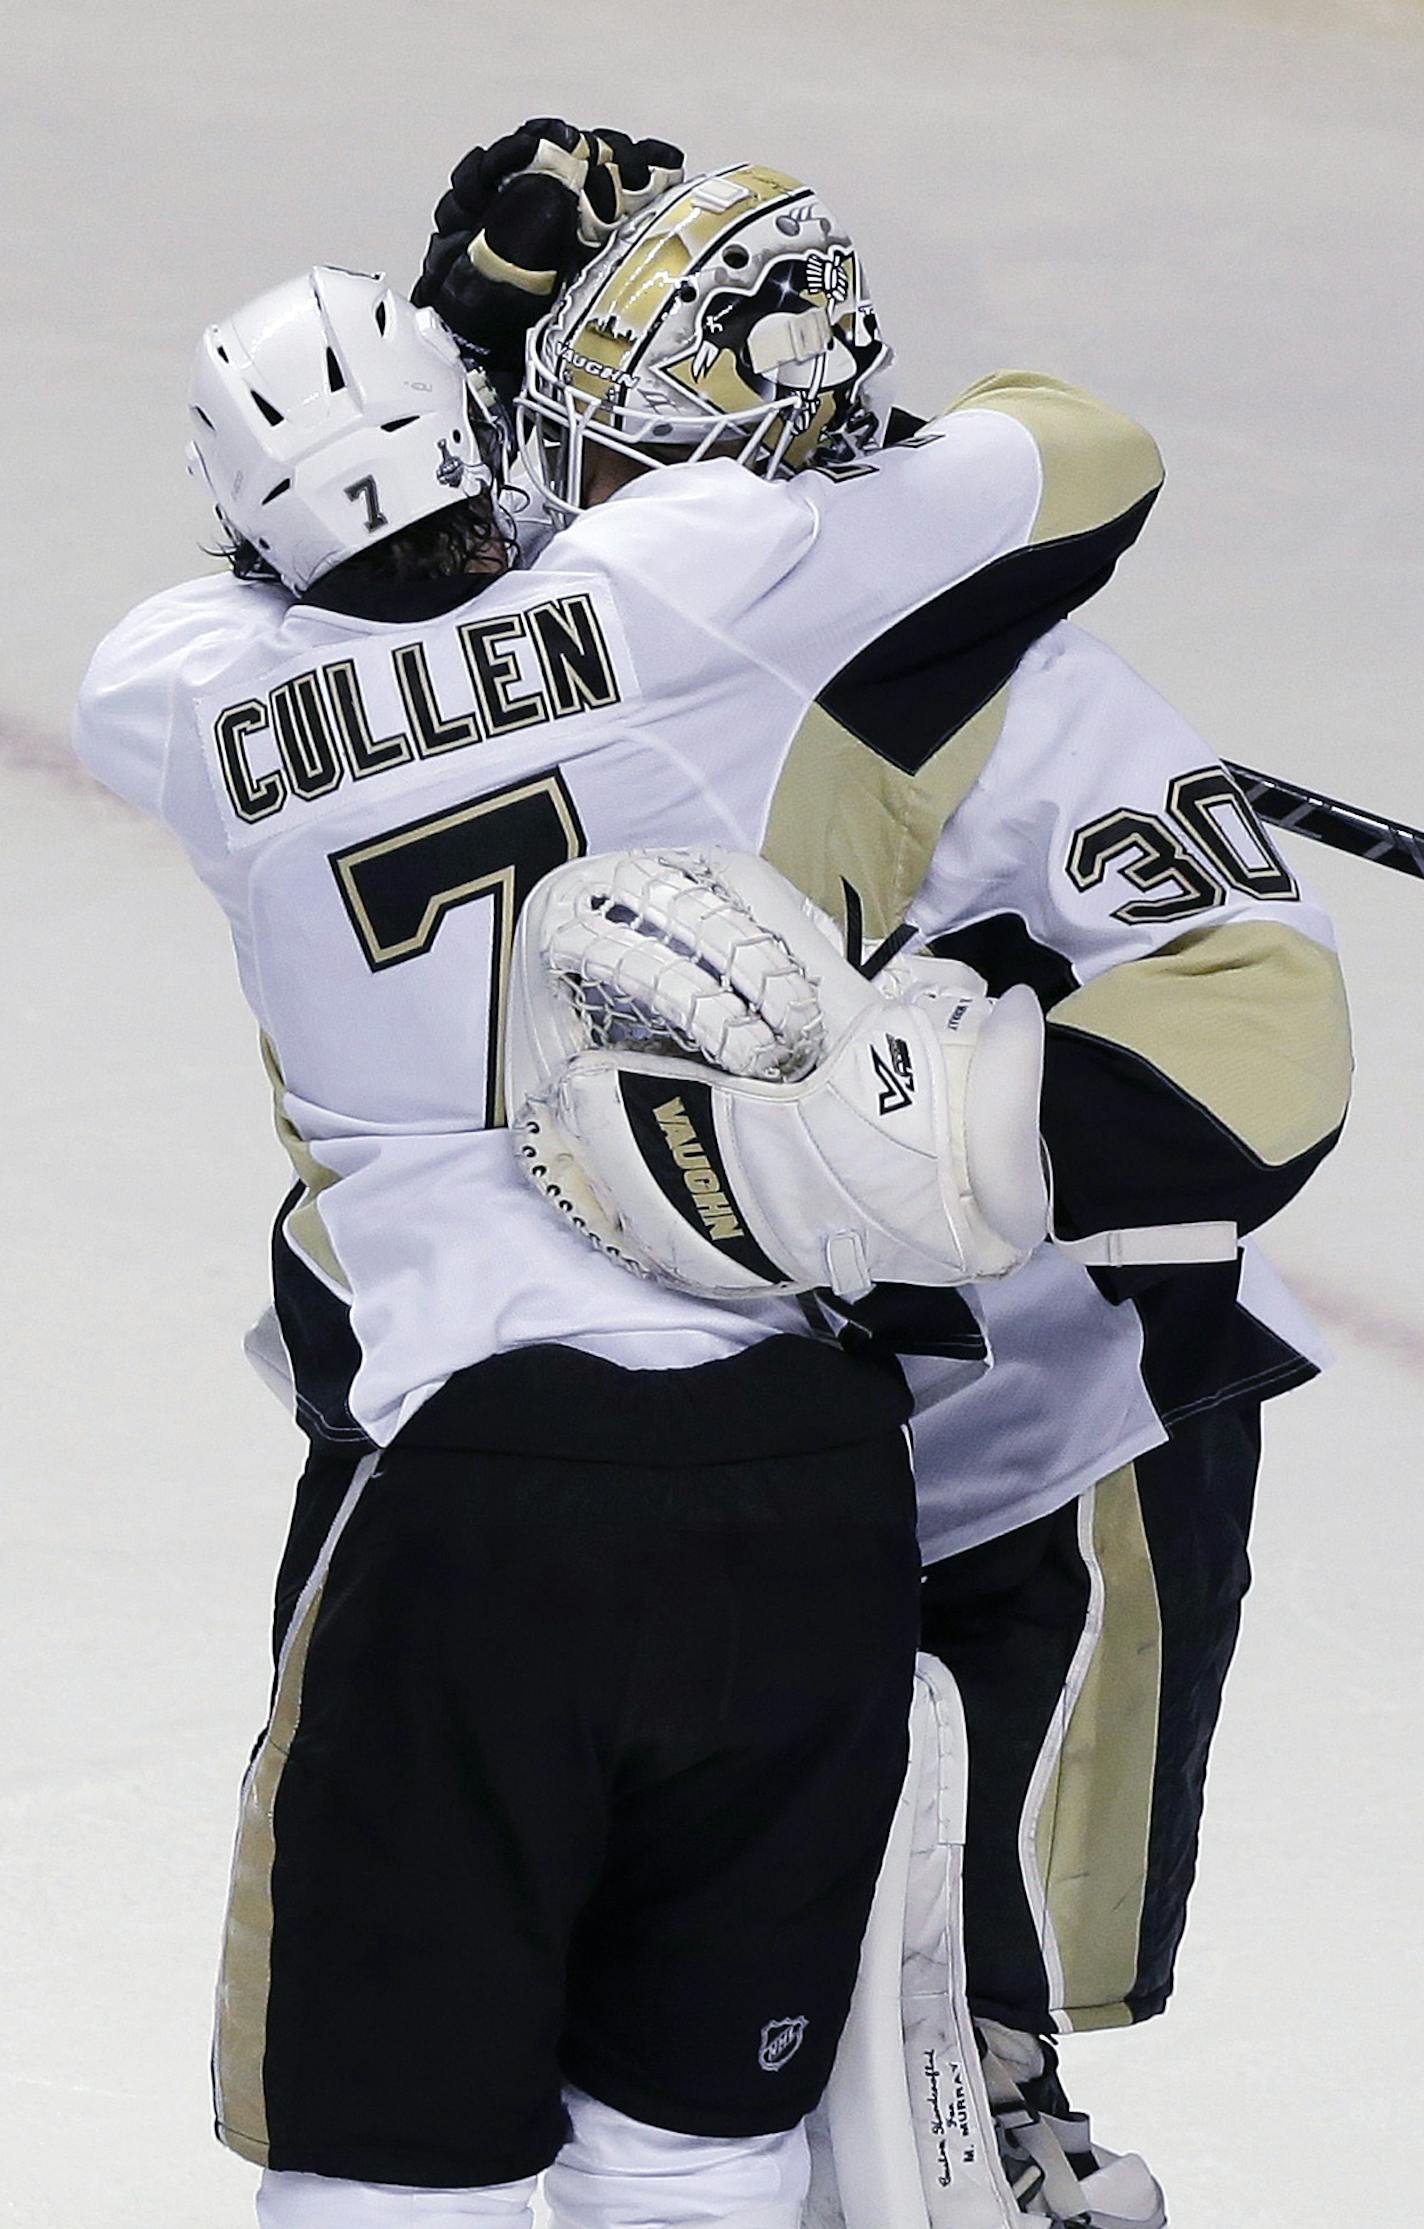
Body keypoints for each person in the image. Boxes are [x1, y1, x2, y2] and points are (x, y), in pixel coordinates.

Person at [72, 164, 1165, 2227]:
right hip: (807, 1481)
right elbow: (1093, 462)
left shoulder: (175, 692)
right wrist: (838, 408)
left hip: (480, 1494)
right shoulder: (697, 569)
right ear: (483, 431)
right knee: (703, 2157)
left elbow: (313, 611)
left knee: (391, 2169)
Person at [409, 124, 1350, 2224]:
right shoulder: (569, 667)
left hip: (1002, 1424)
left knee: (940, 1963)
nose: (558, 516)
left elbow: (1259, 1008)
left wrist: (909, 1159)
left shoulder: (1024, 697)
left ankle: (995, 2089)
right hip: (675, 1419)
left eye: (614, 467)